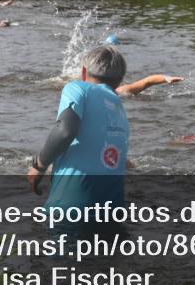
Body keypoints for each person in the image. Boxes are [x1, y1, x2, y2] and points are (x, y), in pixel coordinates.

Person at [27, 46, 129, 213]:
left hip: (71, 207)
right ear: (120, 81)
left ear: (83, 72)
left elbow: (65, 131)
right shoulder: (119, 109)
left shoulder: (77, 88)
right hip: (113, 210)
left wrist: (39, 166)